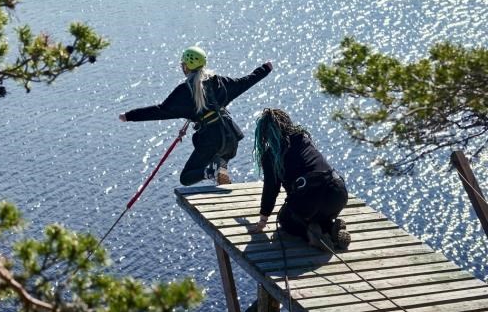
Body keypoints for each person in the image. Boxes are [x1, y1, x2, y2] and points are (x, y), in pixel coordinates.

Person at [119, 46, 273, 186]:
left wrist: (129, 116)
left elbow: (160, 110)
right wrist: (265, 68)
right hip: (230, 137)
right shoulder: (219, 81)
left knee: (186, 178)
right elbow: (245, 81)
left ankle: (211, 171)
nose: (181, 66)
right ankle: (218, 167)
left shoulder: (185, 91)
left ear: (186, 67)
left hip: (211, 140)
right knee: (218, 158)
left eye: (182, 64)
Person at [247, 108, 351, 251]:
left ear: (265, 134)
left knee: (285, 220)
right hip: (338, 193)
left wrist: (263, 221)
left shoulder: (272, 155)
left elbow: (271, 189)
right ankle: (330, 227)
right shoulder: (303, 138)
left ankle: (312, 236)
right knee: (315, 211)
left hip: (310, 198)